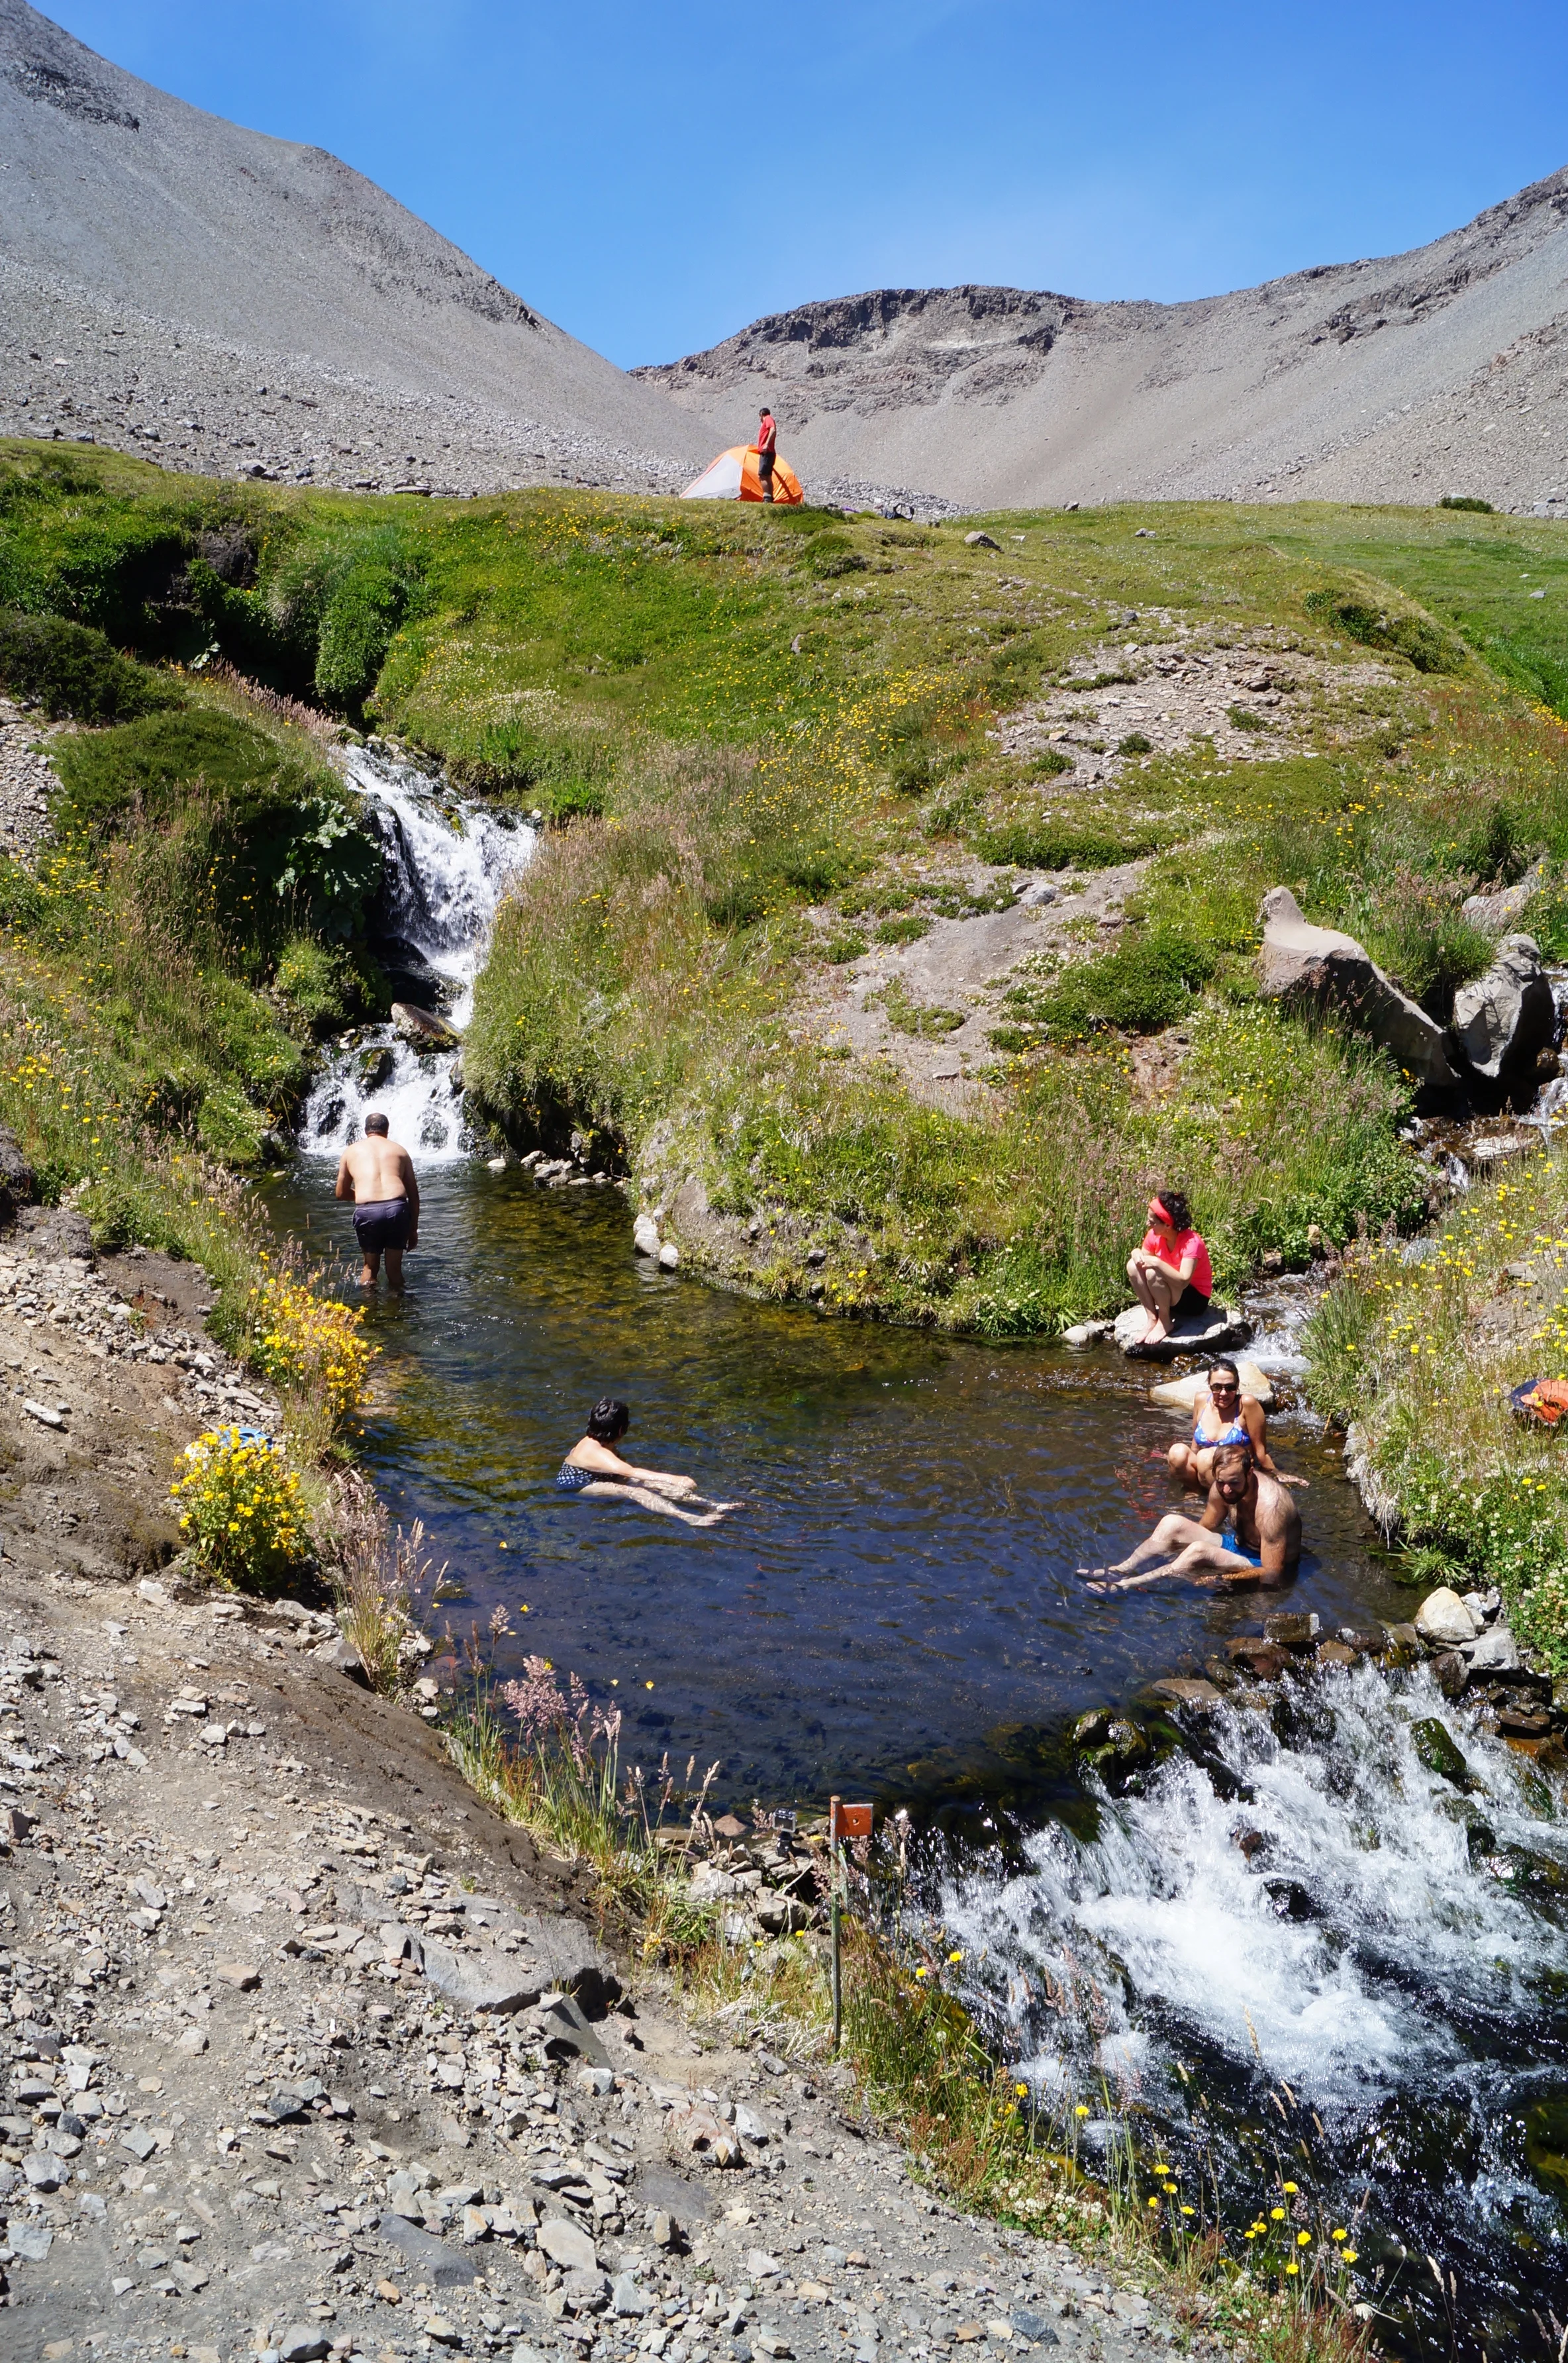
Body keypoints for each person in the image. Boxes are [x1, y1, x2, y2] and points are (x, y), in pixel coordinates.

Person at [1084, 1443, 1302, 1592]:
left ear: (1250, 1472)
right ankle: (1120, 1569)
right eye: (1221, 1482)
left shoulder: (1272, 1508)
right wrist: (1178, 1551)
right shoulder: (1223, 1487)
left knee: (1199, 1550)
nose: (1226, 1490)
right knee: (1172, 1523)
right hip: (1237, 1546)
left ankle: (1127, 1585)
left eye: (1234, 1483)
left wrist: (1221, 1578)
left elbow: (1272, 1572)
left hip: (1262, 1561)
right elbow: (1206, 1526)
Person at [556, 1397, 738, 1528]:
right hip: (577, 1486)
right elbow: (631, 1472)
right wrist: (675, 1479)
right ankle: (689, 1518)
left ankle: (712, 1506)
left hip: (600, 1477)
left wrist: (662, 1483)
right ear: (621, 1429)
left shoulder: (600, 1442)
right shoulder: (595, 1450)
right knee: (635, 1491)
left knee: (650, 1483)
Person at [1167, 1358, 1306, 1493]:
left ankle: (1222, 1502)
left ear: (1237, 1385)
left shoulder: (1247, 1404)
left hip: (1234, 1474)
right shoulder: (1201, 1400)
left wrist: (1277, 1474)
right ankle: (1198, 1493)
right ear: (1209, 1384)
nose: (1223, 1393)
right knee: (1176, 1452)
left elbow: (1261, 1452)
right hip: (1207, 1471)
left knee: (1205, 1457)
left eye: (1230, 1388)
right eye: (1217, 1387)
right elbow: (1195, 1445)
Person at [335, 1111, 419, 1290]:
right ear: (387, 1130)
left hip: (367, 1211)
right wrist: (413, 1229)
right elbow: (413, 1194)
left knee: (370, 1268)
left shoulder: (350, 1152)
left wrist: (362, 1196)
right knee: (395, 1272)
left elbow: (340, 1193)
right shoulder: (400, 1151)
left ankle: (369, 1311)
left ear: (366, 1130)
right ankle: (397, 1313)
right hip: (397, 1209)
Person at [1126, 1189, 1211, 1346]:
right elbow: (1143, 1261)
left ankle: (1165, 1321)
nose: (1148, 1224)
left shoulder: (1192, 1243)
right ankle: (1152, 1318)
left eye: (1152, 1222)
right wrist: (1136, 1252)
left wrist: (1157, 1263)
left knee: (1153, 1272)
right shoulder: (1155, 1235)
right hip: (1173, 1292)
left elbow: (1184, 1281)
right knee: (1132, 1266)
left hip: (1194, 1299)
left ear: (1167, 1225)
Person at [757, 407, 779, 503]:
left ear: (761, 415)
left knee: (762, 475)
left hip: (767, 452)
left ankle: (767, 497)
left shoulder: (768, 419)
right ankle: (770, 497)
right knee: (768, 476)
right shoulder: (767, 420)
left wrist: (766, 444)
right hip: (770, 452)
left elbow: (773, 429)